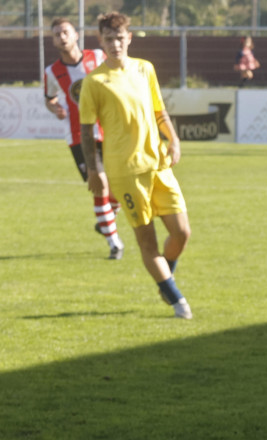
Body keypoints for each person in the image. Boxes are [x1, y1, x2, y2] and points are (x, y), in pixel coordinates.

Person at [79, 12, 192, 320]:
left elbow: (159, 110)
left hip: (158, 164)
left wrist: (174, 140)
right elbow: (87, 130)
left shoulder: (145, 69)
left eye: (119, 38)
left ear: (129, 38)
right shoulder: (94, 82)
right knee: (147, 241)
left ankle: (164, 277)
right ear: (100, 42)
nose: (115, 44)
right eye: (108, 39)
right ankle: (176, 299)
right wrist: (94, 169)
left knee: (182, 233)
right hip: (125, 171)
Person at [43, 17, 125, 260]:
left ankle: (105, 222)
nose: (62, 37)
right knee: (99, 185)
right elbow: (49, 98)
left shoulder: (98, 57)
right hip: (79, 137)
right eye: (57, 34)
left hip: (110, 130)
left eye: (66, 32)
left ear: (76, 34)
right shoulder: (52, 72)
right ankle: (114, 243)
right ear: (53, 40)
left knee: (118, 188)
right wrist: (54, 108)